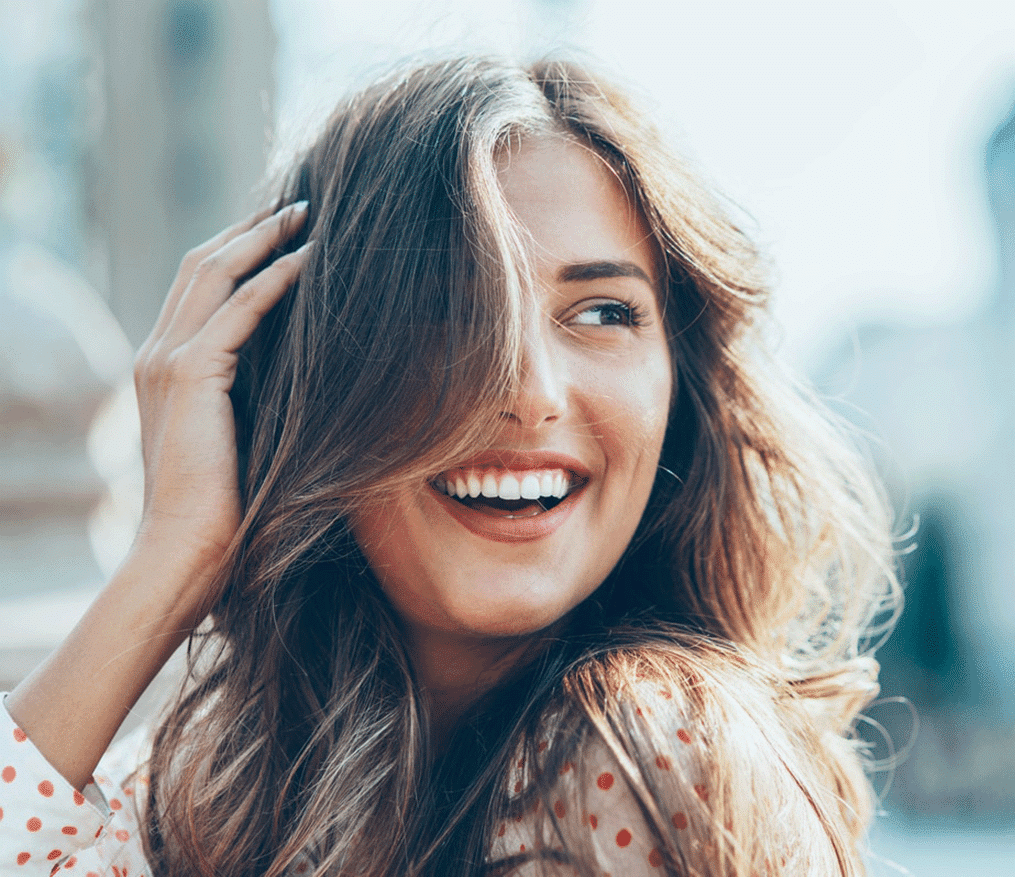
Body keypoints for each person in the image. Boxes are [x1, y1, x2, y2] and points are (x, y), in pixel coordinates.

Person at [0, 56, 898, 876]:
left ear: (680, 389)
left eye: (602, 313)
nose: (529, 388)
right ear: (306, 386)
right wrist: (172, 557)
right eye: (446, 310)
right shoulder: (225, 786)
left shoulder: (638, 756)